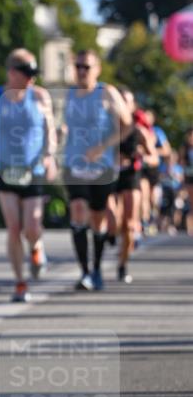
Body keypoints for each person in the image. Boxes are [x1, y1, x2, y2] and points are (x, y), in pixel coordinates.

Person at [0, 49, 56, 302]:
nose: (32, 78)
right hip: (4, 170)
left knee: (31, 226)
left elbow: (49, 130)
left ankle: (37, 248)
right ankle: (20, 283)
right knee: (14, 227)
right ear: (11, 73)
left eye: (34, 73)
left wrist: (50, 155)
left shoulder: (40, 96)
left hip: (34, 169)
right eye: (27, 73)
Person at [62, 50, 130, 291]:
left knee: (98, 219)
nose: (81, 71)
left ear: (97, 69)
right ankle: (84, 272)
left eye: (86, 67)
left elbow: (127, 125)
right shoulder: (68, 94)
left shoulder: (107, 93)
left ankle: (98, 268)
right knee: (78, 210)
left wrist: (104, 147)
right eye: (78, 66)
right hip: (74, 163)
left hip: (102, 166)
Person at [114, 90, 158, 283]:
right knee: (114, 220)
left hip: (131, 176)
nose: (123, 104)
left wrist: (140, 156)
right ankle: (110, 237)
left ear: (132, 107)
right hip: (110, 177)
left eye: (127, 101)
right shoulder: (107, 125)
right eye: (120, 101)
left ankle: (122, 264)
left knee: (130, 225)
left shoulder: (139, 130)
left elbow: (154, 157)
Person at [180, 128, 193, 236]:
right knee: (191, 203)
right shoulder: (185, 148)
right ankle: (190, 228)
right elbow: (182, 164)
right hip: (189, 178)